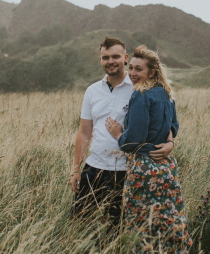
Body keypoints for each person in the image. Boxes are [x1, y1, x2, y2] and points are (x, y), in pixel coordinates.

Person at [69, 37, 173, 229]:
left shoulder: (140, 86)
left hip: (127, 171)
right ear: (100, 60)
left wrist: (170, 143)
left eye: (115, 56)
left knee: (117, 227)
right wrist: (76, 169)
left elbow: (163, 122)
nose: (110, 61)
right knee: (78, 222)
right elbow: (84, 132)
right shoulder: (92, 91)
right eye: (105, 57)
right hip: (93, 168)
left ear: (125, 57)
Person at [105, 45, 192, 254]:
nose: (132, 73)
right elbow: (174, 126)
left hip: (144, 167)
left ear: (151, 72)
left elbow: (133, 141)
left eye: (139, 69)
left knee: (143, 219)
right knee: (168, 215)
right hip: (166, 166)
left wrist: (118, 135)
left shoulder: (141, 95)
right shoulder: (166, 93)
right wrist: (170, 143)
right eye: (131, 68)